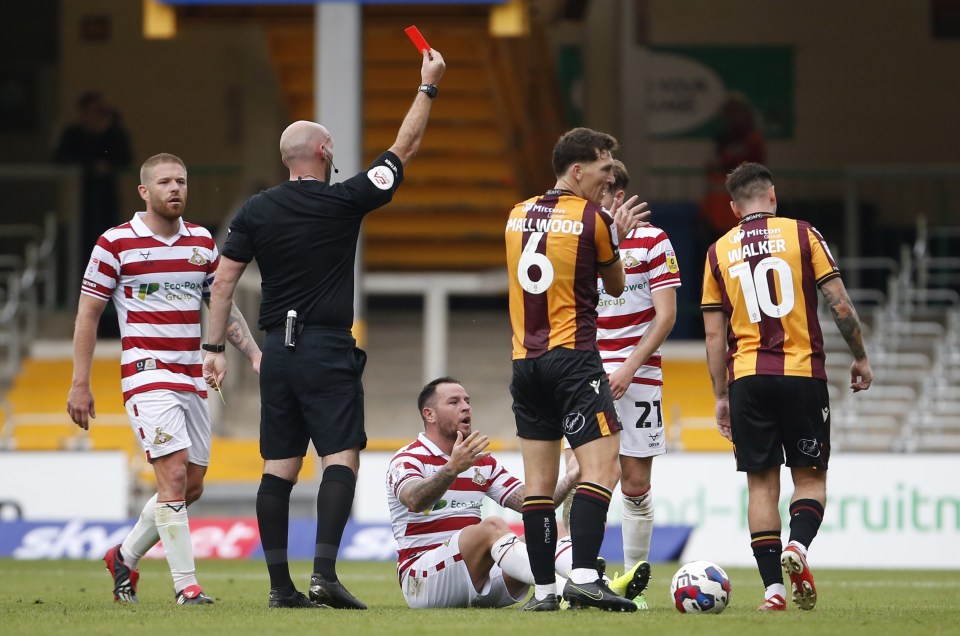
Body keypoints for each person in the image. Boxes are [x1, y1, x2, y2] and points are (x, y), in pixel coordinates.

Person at [202, 48, 446, 609]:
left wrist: (214, 349)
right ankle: (324, 576)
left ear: (286, 158)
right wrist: (426, 86)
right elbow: (403, 148)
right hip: (326, 346)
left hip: (275, 355)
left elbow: (220, 284)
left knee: (279, 469)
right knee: (341, 458)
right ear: (325, 151)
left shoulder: (254, 211)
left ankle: (279, 588)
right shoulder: (344, 201)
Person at [66, 153, 261, 605]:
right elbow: (88, 315)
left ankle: (124, 556)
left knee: (191, 486)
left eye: (182, 182)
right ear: (144, 191)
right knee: (171, 477)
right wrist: (80, 382)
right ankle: (186, 588)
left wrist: (252, 353)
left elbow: (222, 305)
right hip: (146, 375)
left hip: (192, 377)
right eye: (165, 182)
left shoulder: (201, 244)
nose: (175, 189)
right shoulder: (115, 244)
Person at [701, 162, 873, 612]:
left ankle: (772, 591)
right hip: (801, 374)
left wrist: (721, 395)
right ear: (772, 196)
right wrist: (859, 355)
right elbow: (838, 303)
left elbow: (714, 336)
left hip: (748, 380)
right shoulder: (803, 234)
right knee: (810, 478)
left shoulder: (718, 251)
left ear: (734, 206)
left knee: (761, 486)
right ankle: (797, 546)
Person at [504, 127, 649, 612]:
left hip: (525, 363)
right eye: (606, 169)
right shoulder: (594, 218)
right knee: (602, 468)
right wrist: (616, 234)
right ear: (578, 170)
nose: (611, 179)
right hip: (574, 360)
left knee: (539, 486)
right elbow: (614, 284)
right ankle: (585, 576)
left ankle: (544, 591)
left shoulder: (516, 214)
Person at [387, 377, 581, 610]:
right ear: (430, 414)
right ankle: (564, 590)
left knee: (550, 525)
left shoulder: (482, 461)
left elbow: (534, 503)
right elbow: (414, 500)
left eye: (467, 401)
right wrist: (452, 469)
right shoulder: (408, 458)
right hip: (423, 581)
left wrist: (570, 478)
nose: (466, 406)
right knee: (492, 527)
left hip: (481, 577)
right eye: (454, 402)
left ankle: (594, 584)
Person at [594, 159, 680, 610]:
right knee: (586, 475)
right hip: (586, 372)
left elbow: (666, 315)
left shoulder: (654, 240)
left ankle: (632, 580)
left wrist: (628, 367)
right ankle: (579, 573)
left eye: (609, 191)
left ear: (620, 192)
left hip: (640, 376)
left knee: (634, 481)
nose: (601, 198)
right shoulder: (581, 237)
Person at [54, 91, 134, 264]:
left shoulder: (114, 133)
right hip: (80, 198)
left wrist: (111, 127)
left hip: (107, 197)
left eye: (102, 111)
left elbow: (125, 157)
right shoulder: (73, 134)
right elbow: (60, 158)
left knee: (109, 238)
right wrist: (89, 166)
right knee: (82, 243)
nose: (98, 116)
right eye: (94, 111)